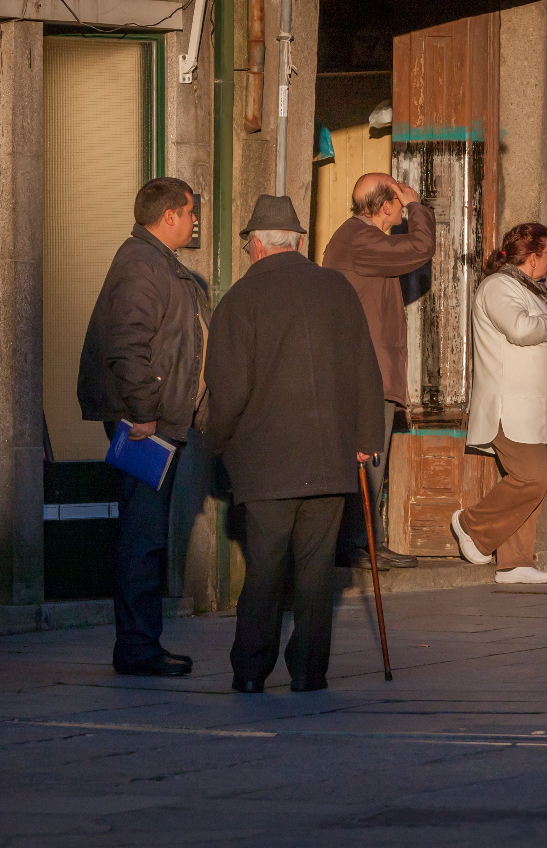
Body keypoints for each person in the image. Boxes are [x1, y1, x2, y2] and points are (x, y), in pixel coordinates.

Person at [204, 195, 385, 694]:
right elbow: (365, 368)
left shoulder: (239, 300)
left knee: (264, 569)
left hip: (267, 462)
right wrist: (366, 438)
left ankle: (250, 671)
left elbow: (228, 392)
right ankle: (309, 670)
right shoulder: (337, 288)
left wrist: (216, 441)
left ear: (255, 245)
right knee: (316, 572)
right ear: (300, 243)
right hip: (330, 459)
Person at [77, 176, 210, 676]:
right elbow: (128, 345)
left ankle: (141, 642)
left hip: (159, 418)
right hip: (145, 424)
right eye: (190, 211)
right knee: (142, 535)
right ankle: (136, 646)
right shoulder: (141, 264)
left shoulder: (157, 261)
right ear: (169, 215)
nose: (194, 220)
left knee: (146, 533)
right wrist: (144, 412)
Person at [450, 224, 547, 584]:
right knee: (531, 478)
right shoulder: (498, 286)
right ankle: (471, 524)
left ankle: (514, 562)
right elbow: (519, 329)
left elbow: (536, 341)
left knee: (535, 483)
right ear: (533, 257)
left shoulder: (532, 292)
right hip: (510, 405)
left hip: (536, 408)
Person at [321, 173, 437, 570]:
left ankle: (368, 539)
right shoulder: (360, 240)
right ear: (386, 206)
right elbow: (420, 248)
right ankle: (355, 543)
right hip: (365, 372)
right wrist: (417, 205)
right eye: (398, 198)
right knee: (367, 456)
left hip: (369, 369)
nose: (402, 204)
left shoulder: (362, 239)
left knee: (373, 458)